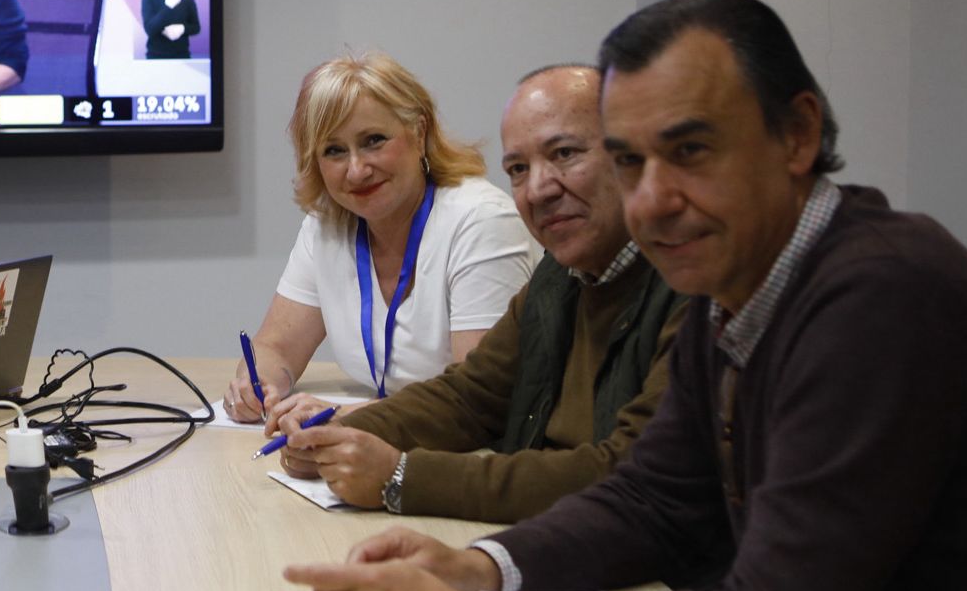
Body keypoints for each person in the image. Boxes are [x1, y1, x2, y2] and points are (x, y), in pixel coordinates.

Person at [285, 0, 967, 591]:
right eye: (629, 161)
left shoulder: (882, 293)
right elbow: (652, 500)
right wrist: (480, 567)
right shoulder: (731, 283)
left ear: (797, 135)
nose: (652, 200)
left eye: (690, 151)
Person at [269, 65, 685, 521]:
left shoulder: (693, 289)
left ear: (632, 155)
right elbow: (471, 395)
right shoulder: (561, 274)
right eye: (519, 169)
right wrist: (338, 432)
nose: (540, 189)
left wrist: (401, 476)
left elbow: (630, 473)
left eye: (564, 153)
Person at [225, 52, 535, 415]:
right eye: (334, 151)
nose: (356, 171)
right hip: (395, 438)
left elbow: (482, 398)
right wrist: (259, 384)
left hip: (474, 452)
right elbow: (275, 347)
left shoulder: (481, 221)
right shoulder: (327, 226)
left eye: (373, 140)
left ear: (420, 133)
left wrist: (347, 421)